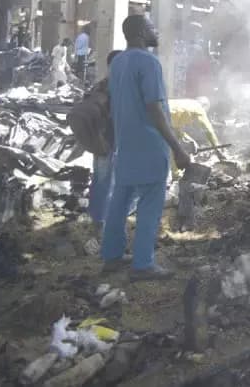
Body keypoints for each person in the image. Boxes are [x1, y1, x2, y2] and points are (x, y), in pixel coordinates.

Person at [101, 14, 191, 280]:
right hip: (150, 144)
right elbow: (154, 108)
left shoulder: (117, 62)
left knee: (119, 201)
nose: (156, 32)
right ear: (141, 32)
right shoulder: (149, 62)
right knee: (150, 205)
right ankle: (142, 264)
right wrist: (177, 147)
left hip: (126, 143)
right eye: (152, 28)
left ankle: (112, 256)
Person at [68, 50, 122, 226]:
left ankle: (98, 216)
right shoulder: (118, 87)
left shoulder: (100, 85)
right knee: (105, 181)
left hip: (100, 140)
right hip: (108, 141)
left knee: (101, 179)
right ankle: (100, 219)